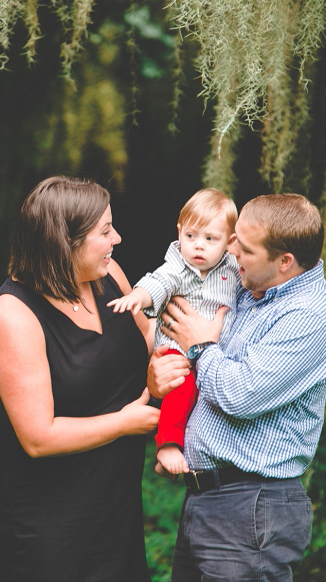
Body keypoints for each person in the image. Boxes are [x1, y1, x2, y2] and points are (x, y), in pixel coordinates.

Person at [147, 193, 326, 582]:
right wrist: (161, 374)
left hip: (250, 508)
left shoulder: (308, 318)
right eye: (233, 237)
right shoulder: (249, 288)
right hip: (207, 500)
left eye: (245, 247)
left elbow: (241, 394)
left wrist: (200, 345)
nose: (230, 249)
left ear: (284, 262)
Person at [0, 176, 160, 582]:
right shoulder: (14, 313)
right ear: (65, 241)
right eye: (104, 231)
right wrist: (127, 422)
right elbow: (37, 437)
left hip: (116, 503)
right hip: (47, 522)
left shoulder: (109, 274)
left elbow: (146, 343)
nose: (117, 238)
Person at [108, 188, 239, 475]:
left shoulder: (235, 269)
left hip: (218, 353)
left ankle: (192, 454)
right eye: (190, 236)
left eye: (210, 239)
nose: (198, 246)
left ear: (230, 242)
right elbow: (158, 282)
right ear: (179, 232)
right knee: (180, 388)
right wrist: (138, 298)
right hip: (179, 354)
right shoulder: (178, 266)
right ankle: (168, 445)